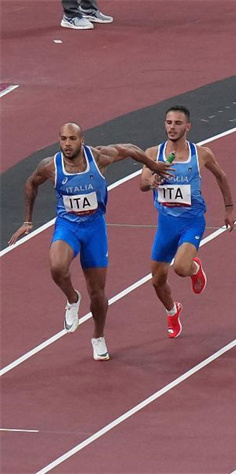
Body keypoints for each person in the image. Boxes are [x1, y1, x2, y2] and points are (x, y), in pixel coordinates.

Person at [7, 123, 171, 360]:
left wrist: (153, 165)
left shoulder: (98, 157)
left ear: (81, 140)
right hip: (68, 226)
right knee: (57, 267)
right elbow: (31, 183)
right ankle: (72, 299)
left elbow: (130, 149)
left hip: (94, 229)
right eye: (63, 139)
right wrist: (28, 221)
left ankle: (98, 337)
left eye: (72, 139)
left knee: (97, 294)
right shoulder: (51, 166)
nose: (67, 144)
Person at [139, 106, 236, 338]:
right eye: (169, 123)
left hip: (192, 222)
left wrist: (229, 208)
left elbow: (221, 177)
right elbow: (142, 184)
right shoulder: (153, 153)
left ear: (188, 127)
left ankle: (194, 268)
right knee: (157, 281)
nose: (172, 127)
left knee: (180, 267)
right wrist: (152, 179)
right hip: (165, 224)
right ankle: (173, 311)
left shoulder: (201, 153)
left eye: (178, 123)